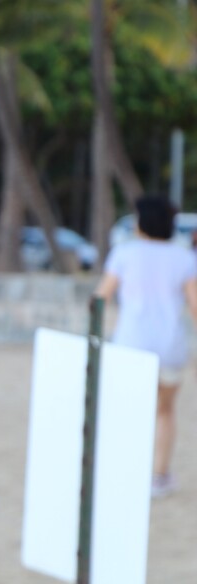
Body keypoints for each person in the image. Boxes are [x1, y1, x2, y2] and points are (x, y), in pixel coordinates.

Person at [95, 196, 197, 498]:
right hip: (170, 346)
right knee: (165, 411)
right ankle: (159, 476)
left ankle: (127, 472)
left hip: (131, 345)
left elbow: (102, 296)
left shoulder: (124, 254)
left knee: (127, 411)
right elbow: (195, 305)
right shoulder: (184, 258)